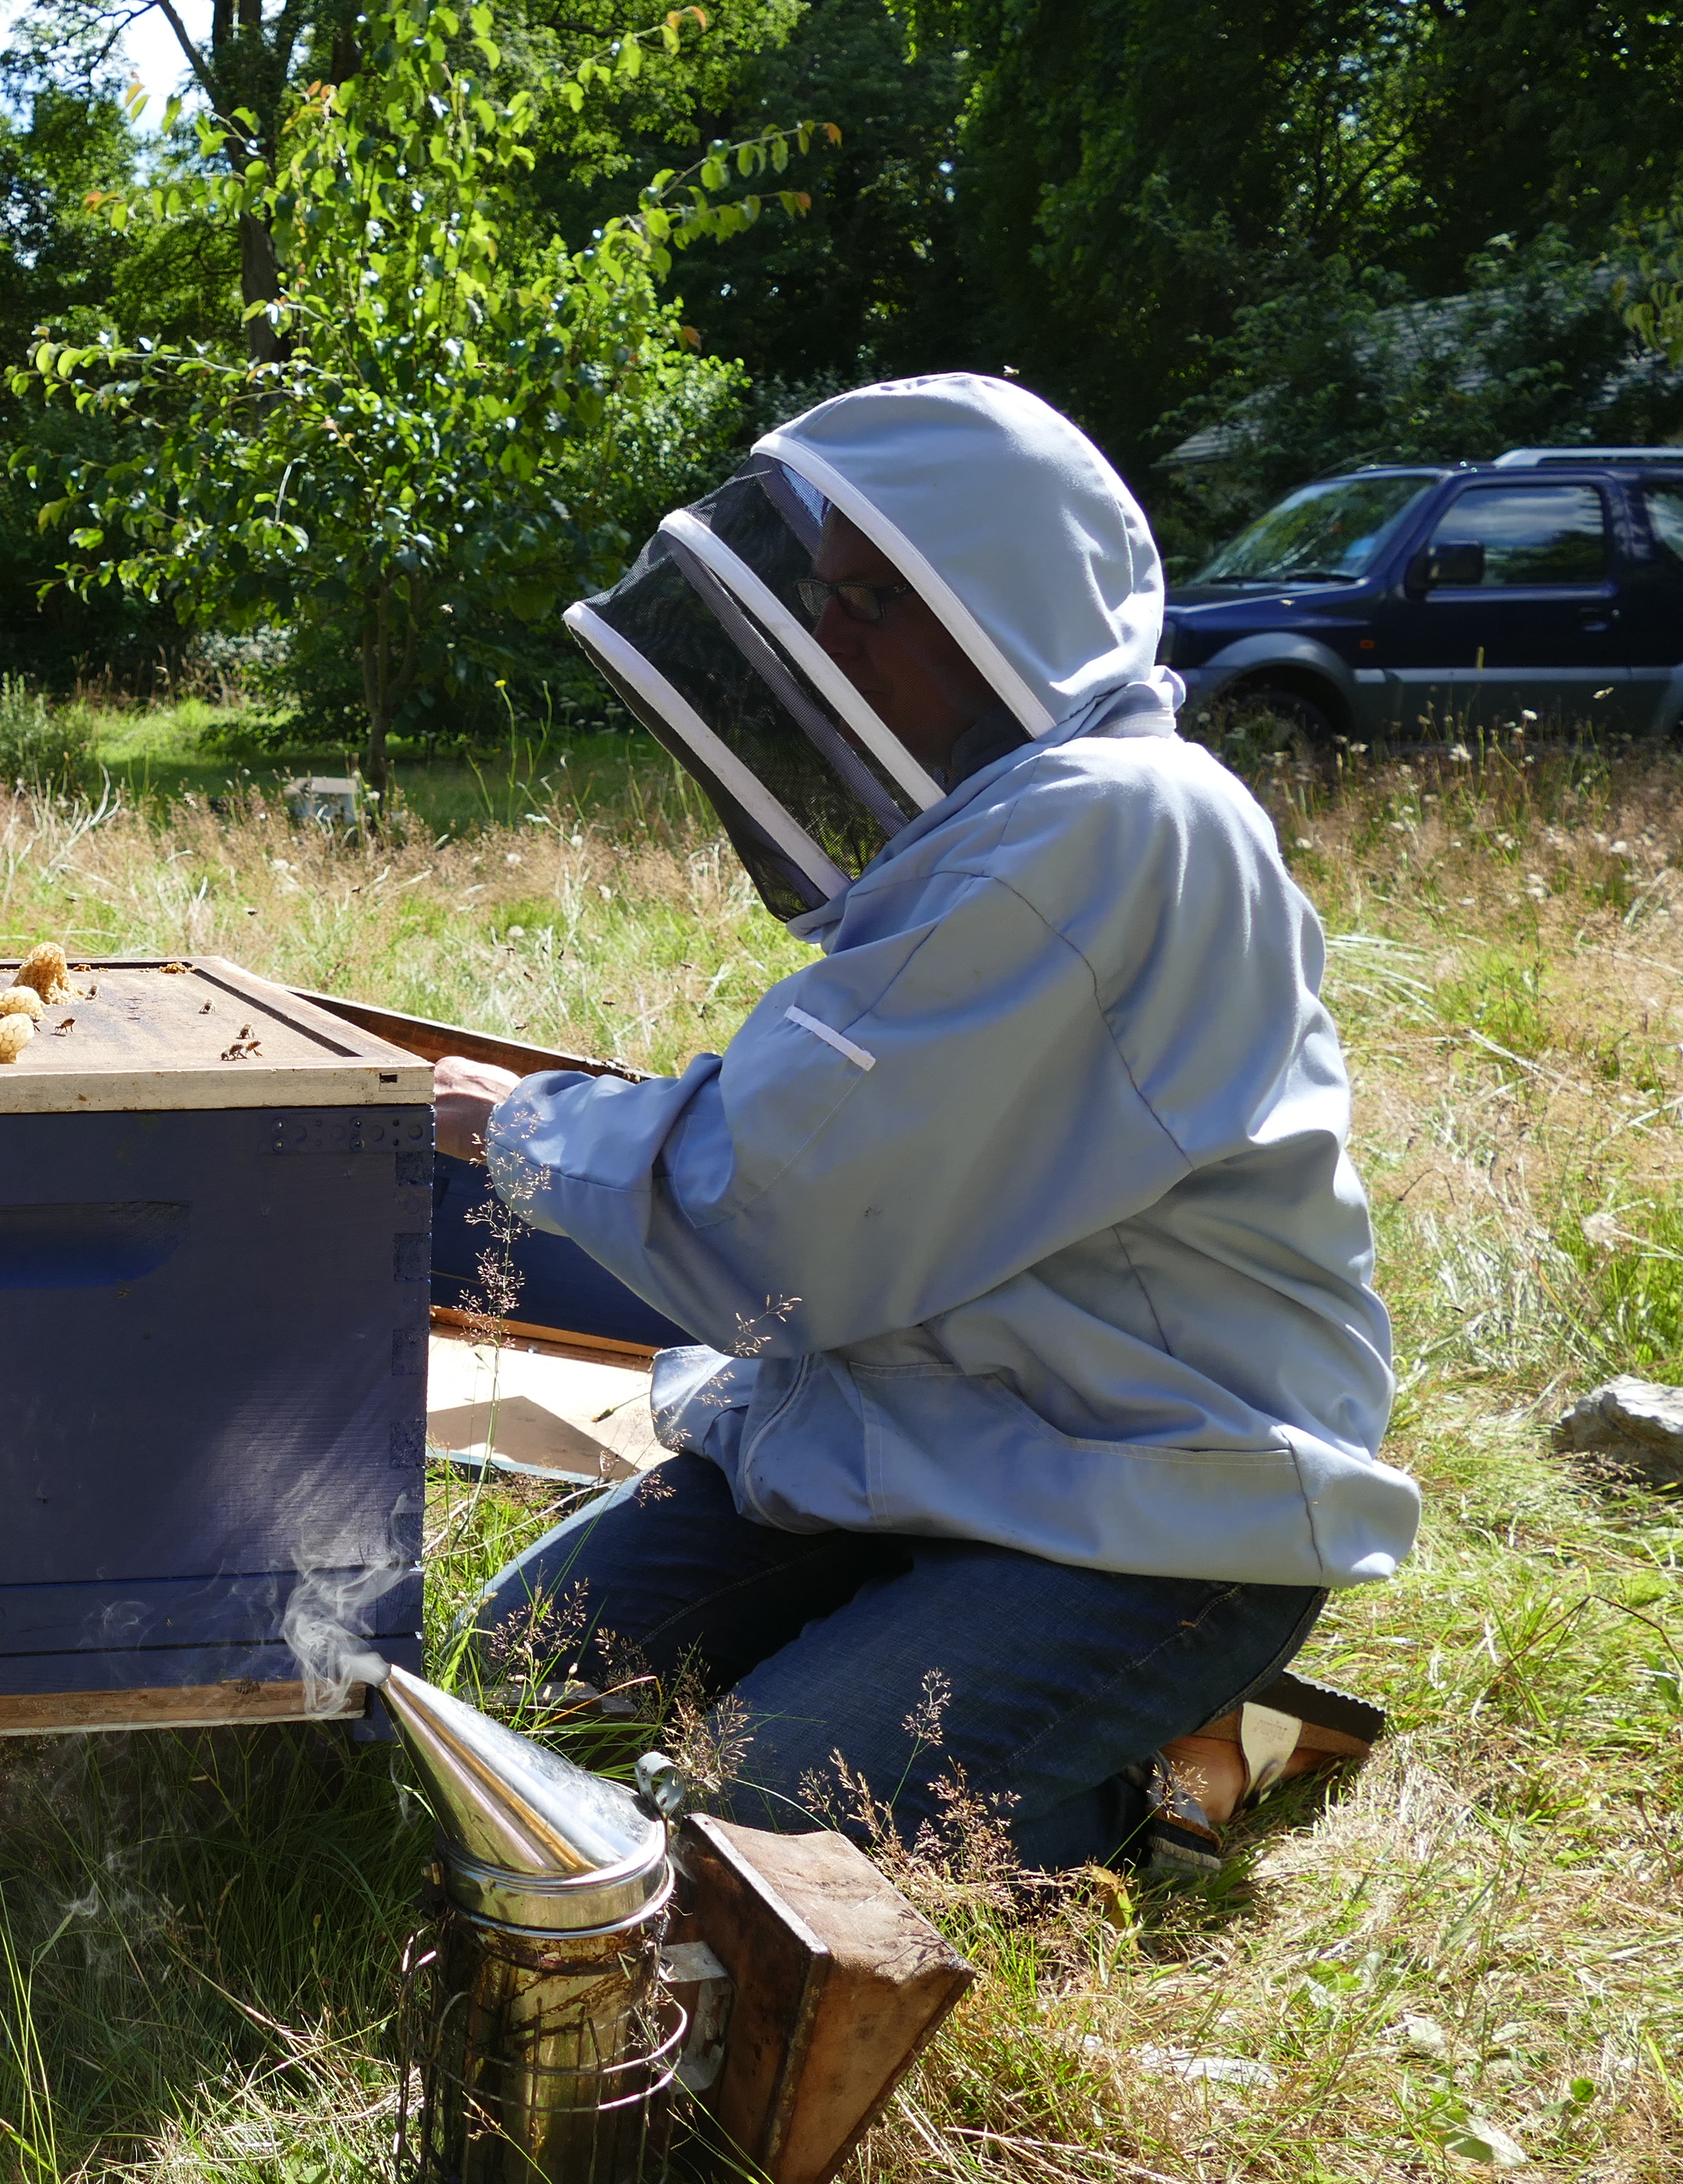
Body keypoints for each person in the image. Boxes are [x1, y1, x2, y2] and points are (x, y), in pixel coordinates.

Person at [435, 374, 1419, 1872]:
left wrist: (524, 1127)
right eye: (821, 599)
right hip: (911, 1444)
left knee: (755, 1836)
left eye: (867, 604)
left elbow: (782, 1216)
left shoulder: (1116, 827)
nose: (826, 641)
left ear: (996, 604)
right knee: (515, 1693)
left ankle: (1198, 1749)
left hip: (1143, 1498)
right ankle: (962, 1669)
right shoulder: (1016, 824)